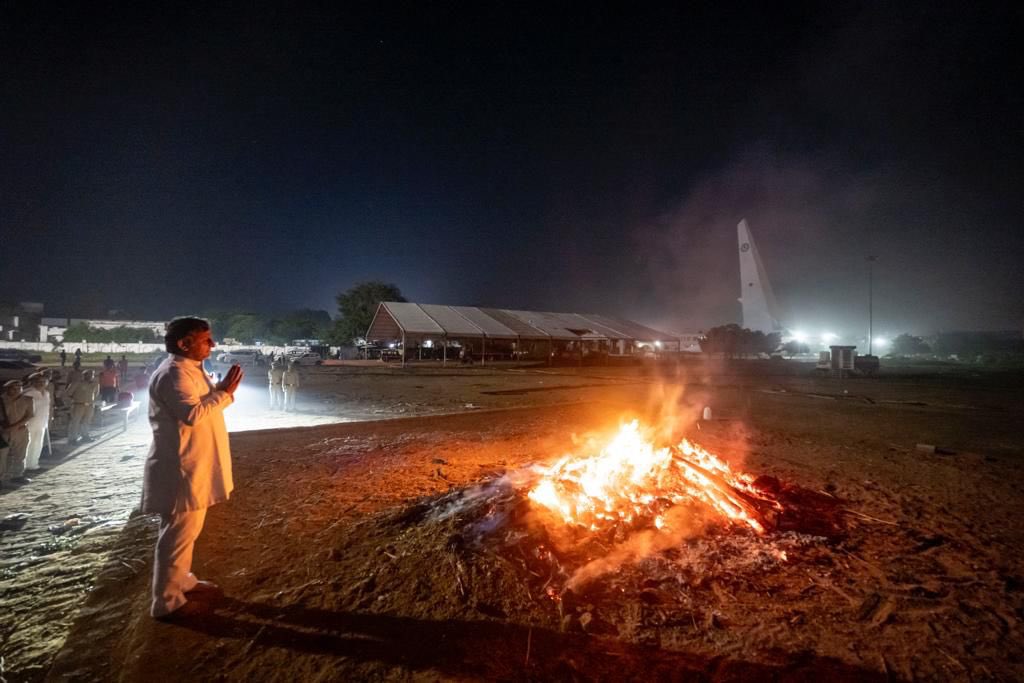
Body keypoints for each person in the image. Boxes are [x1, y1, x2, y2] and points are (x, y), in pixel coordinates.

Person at [141, 317, 242, 619]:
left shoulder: (188, 370)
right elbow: (193, 414)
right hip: (181, 468)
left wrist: (222, 392)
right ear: (185, 343)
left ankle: (181, 581)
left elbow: (205, 406)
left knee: (186, 531)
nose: (213, 344)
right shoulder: (174, 374)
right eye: (205, 339)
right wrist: (223, 392)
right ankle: (167, 601)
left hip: (193, 464)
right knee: (177, 533)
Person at [1, 379, 34, 486]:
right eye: (13, 388)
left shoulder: (28, 400)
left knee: (20, 454)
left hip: (21, 431)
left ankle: (18, 475)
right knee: (2, 456)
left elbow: (30, 415)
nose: (16, 390)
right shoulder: (2, 400)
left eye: (19, 387)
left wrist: (14, 427)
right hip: (3, 432)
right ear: (7, 389)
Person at [22, 374, 51, 471]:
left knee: (38, 444)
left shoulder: (46, 393)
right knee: (28, 444)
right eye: (39, 381)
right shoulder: (29, 393)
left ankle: (34, 464)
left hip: (42, 422)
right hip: (30, 423)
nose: (41, 383)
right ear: (33, 382)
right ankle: (25, 465)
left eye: (43, 381)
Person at [65, 370, 99, 444]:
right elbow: (68, 393)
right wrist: (76, 399)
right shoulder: (77, 383)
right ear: (84, 375)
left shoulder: (94, 384)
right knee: (75, 422)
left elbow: (96, 394)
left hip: (89, 405)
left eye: (92, 374)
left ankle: (85, 436)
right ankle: (72, 439)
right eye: (89, 374)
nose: (91, 376)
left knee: (87, 422)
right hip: (78, 405)